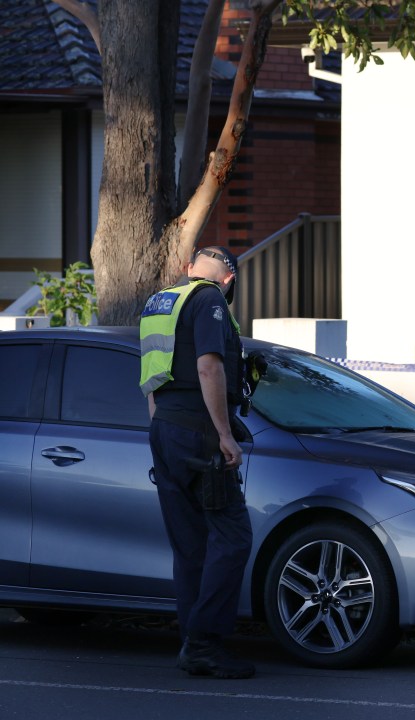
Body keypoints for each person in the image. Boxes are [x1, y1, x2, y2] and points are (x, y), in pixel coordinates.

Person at [139, 246, 254, 679]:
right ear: (228, 280)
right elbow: (209, 367)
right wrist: (224, 434)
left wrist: (161, 433)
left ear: (189, 269)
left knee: (190, 545)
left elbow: (153, 378)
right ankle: (204, 643)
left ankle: (193, 641)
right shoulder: (209, 300)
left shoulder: (160, 302)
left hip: (164, 428)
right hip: (199, 431)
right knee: (233, 535)